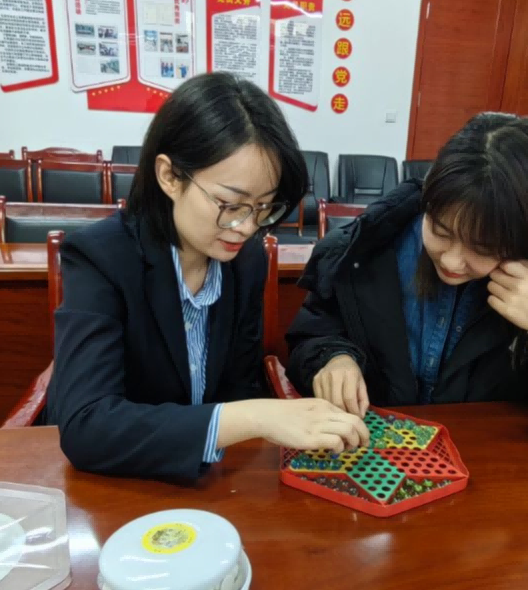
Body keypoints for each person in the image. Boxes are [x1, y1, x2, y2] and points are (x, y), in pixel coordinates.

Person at [47, 71, 363, 481]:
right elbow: (87, 427)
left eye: (264, 207)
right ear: (170, 176)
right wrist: (254, 417)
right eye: (230, 204)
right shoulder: (101, 258)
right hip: (119, 484)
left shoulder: (246, 261)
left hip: (208, 481)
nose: (246, 227)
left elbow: (240, 384)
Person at [286, 113, 528, 438]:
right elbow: (312, 333)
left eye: (482, 248)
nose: (452, 260)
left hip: (493, 470)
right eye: (440, 231)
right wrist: (334, 358)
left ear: (527, 237)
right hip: (381, 455)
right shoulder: (367, 249)